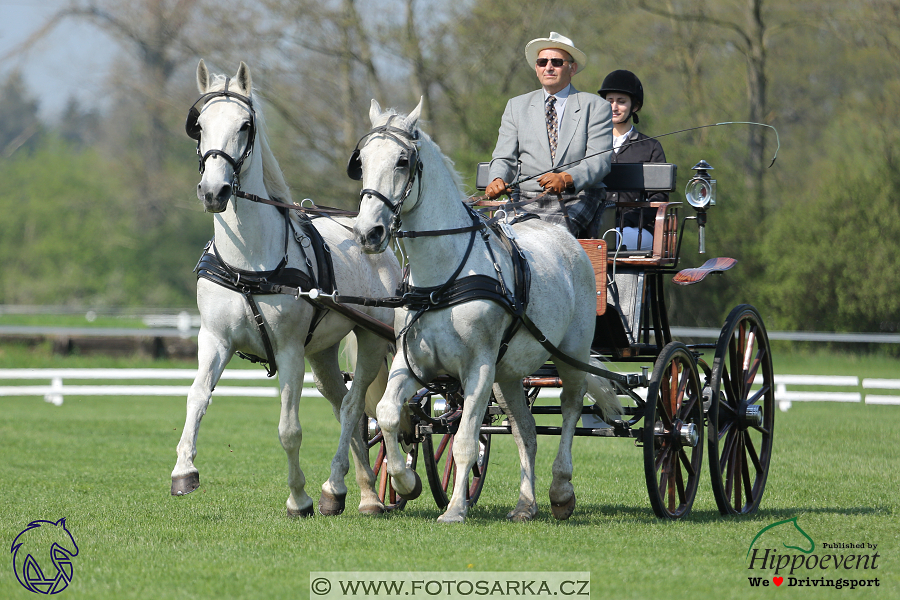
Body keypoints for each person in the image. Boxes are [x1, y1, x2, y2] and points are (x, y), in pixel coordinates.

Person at [485, 32, 612, 238]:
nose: (549, 67)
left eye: (557, 62)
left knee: (550, 238)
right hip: (525, 198)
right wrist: (497, 178)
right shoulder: (516, 106)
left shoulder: (596, 106)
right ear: (536, 68)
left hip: (576, 197)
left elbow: (600, 160)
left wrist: (568, 178)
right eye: (542, 62)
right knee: (495, 237)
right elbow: (503, 157)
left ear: (572, 68)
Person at [596, 69, 667, 250]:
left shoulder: (651, 148)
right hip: (594, 223)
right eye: (609, 101)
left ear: (634, 106)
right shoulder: (590, 144)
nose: (614, 107)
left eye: (621, 102)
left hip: (635, 228)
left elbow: (658, 197)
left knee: (618, 241)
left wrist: (628, 220)